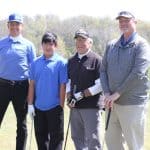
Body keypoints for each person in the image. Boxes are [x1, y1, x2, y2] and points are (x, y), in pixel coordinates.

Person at [100, 11, 150, 150]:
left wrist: (118, 93)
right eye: (120, 21)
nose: (123, 24)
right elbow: (103, 70)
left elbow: (138, 73)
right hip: (111, 104)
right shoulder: (111, 45)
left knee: (134, 145)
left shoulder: (142, 45)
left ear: (135, 22)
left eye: (126, 20)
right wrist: (106, 93)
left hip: (132, 104)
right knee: (113, 144)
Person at [0, 13, 36, 150]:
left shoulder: (29, 45)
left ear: (22, 26)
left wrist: (32, 93)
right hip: (2, 86)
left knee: (21, 123)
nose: (14, 27)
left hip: (21, 87)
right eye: (12, 24)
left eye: (17, 24)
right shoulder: (1, 43)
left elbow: (33, 69)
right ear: (8, 25)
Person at [27, 32, 68, 150]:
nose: (48, 47)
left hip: (55, 107)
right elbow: (32, 85)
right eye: (45, 43)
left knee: (56, 141)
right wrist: (30, 105)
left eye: (51, 44)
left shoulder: (62, 63)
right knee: (41, 139)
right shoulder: (35, 63)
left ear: (55, 45)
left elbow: (62, 86)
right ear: (42, 45)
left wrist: (61, 106)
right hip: (38, 108)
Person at [67, 29, 103, 150]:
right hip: (75, 107)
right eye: (78, 40)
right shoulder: (71, 61)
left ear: (90, 42)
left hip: (91, 107)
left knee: (93, 140)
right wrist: (69, 97)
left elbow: (100, 85)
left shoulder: (97, 60)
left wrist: (81, 94)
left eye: (83, 40)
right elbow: (68, 81)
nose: (80, 43)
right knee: (77, 138)